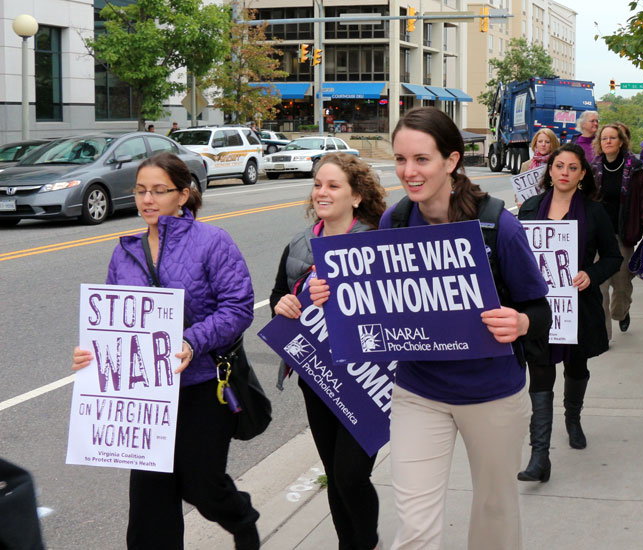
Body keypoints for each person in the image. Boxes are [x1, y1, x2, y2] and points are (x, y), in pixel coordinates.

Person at [310, 107, 551, 550]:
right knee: (416, 525)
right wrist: (335, 297)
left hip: (492, 395)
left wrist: (519, 322)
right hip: (418, 393)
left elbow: (541, 311)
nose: (408, 171)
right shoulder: (394, 221)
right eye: (401, 160)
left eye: (421, 159)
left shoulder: (498, 224)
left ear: (451, 161)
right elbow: (376, 311)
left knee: (494, 515)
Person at [71, 152, 260, 550]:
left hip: (203, 385)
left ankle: (240, 517)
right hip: (145, 396)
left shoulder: (212, 241)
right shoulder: (126, 251)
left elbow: (238, 308)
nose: (148, 199)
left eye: (159, 190)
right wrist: (94, 357)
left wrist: (193, 341)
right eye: (141, 191)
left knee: (202, 486)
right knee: (149, 505)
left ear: (184, 195)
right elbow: (113, 323)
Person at [269, 153, 387, 550]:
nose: (322, 192)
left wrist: (344, 296)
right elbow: (278, 298)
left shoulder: (375, 241)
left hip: (367, 381)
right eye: (318, 184)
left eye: (333, 185)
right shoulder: (300, 244)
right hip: (316, 377)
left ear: (356, 197)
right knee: (334, 476)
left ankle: (366, 543)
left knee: (352, 475)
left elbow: (395, 311)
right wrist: (285, 305)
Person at [516, 143, 622, 482]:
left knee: (577, 368)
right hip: (540, 309)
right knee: (541, 373)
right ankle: (539, 456)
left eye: (572, 167)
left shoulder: (594, 212)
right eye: (559, 165)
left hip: (578, 307)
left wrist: (591, 275)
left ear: (582, 174)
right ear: (549, 171)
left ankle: (573, 418)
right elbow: (517, 256)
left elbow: (612, 257)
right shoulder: (530, 209)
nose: (564, 172)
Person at [591, 123, 643, 339]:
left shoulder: (635, 170)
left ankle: (622, 313)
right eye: (604, 138)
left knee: (621, 285)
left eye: (612, 138)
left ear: (621, 141)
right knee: (600, 288)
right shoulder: (592, 169)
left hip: (623, 236)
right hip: (597, 238)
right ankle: (604, 335)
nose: (608, 141)